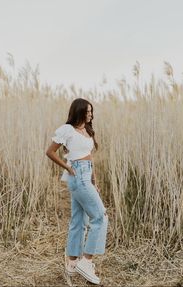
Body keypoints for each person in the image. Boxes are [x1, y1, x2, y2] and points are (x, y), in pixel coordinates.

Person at [46, 98, 108, 285]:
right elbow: (50, 152)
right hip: (77, 175)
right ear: (79, 112)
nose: (90, 114)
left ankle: (72, 262)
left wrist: (94, 181)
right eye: (87, 111)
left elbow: (90, 158)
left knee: (79, 220)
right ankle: (86, 261)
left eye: (91, 111)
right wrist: (67, 167)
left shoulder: (87, 130)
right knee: (100, 217)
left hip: (86, 175)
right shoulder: (67, 130)